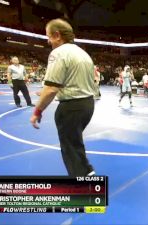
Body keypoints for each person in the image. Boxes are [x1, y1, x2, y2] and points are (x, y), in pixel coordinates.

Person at [30, 18, 96, 176]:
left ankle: (85, 191)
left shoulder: (58, 53)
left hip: (71, 108)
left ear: (57, 35)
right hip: (87, 105)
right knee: (75, 146)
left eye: (48, 36)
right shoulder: (83, 53)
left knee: (70, 151)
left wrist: (37, 111)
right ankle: (88, 173)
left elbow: (51, 88)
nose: (47, 41)